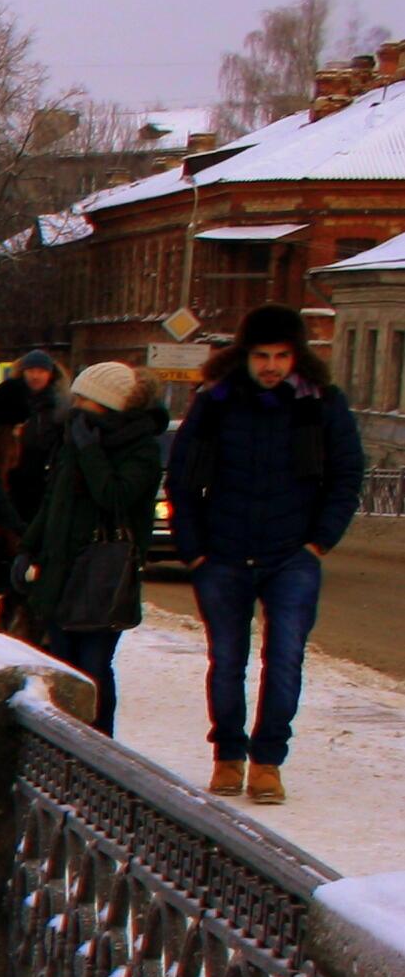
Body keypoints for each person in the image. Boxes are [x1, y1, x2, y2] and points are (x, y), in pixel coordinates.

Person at [166, 303, 368, 803]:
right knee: (227, 659)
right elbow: (184, 480)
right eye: (262, 356)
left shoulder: (320, 403)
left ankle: (268, 762)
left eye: (282, 355)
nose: (272, 366)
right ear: (245, 355)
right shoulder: (214, 403)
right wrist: (194, 551)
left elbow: (346, 475)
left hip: (291, 556)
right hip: (223, 554)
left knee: (284, 660)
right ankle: (228, 756)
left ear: (297, 356)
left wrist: (319, 541)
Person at [9, 359, 169, 735]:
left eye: (84, 398)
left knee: (94, 667)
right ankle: (63, 743)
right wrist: (27, 549)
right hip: (61, 568)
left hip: (106, 573)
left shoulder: (140, 449)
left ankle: (98, 746)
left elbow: (114, 497)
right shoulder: (74, 437)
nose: (75, 404)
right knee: (60, 664)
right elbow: (53, 503)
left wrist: (90, 453)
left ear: (108, 403)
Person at [0, 348, 66, 627]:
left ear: (50, 374)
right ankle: (11, 597)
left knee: (32, 548)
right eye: (31, 370)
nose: (36, 376)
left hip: (43, 486)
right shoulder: (10, 401)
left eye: (41, 371)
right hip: (13, 486)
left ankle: (23, 609)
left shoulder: (59, 406)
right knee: (11, 543)